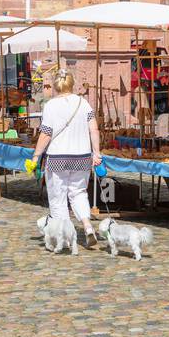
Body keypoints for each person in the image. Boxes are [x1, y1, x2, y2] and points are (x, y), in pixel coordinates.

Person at [31, 71, 102, 250]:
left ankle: (64, 236)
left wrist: (36, 156)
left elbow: (46, 133)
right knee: (78, 193)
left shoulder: (51, 106)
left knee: (58, 197)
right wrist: (97, 153)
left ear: (55, 86)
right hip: (82, 157)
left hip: (57, 157)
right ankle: (87, 226)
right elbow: (94, 130)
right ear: (72, 84)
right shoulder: (84, 103)